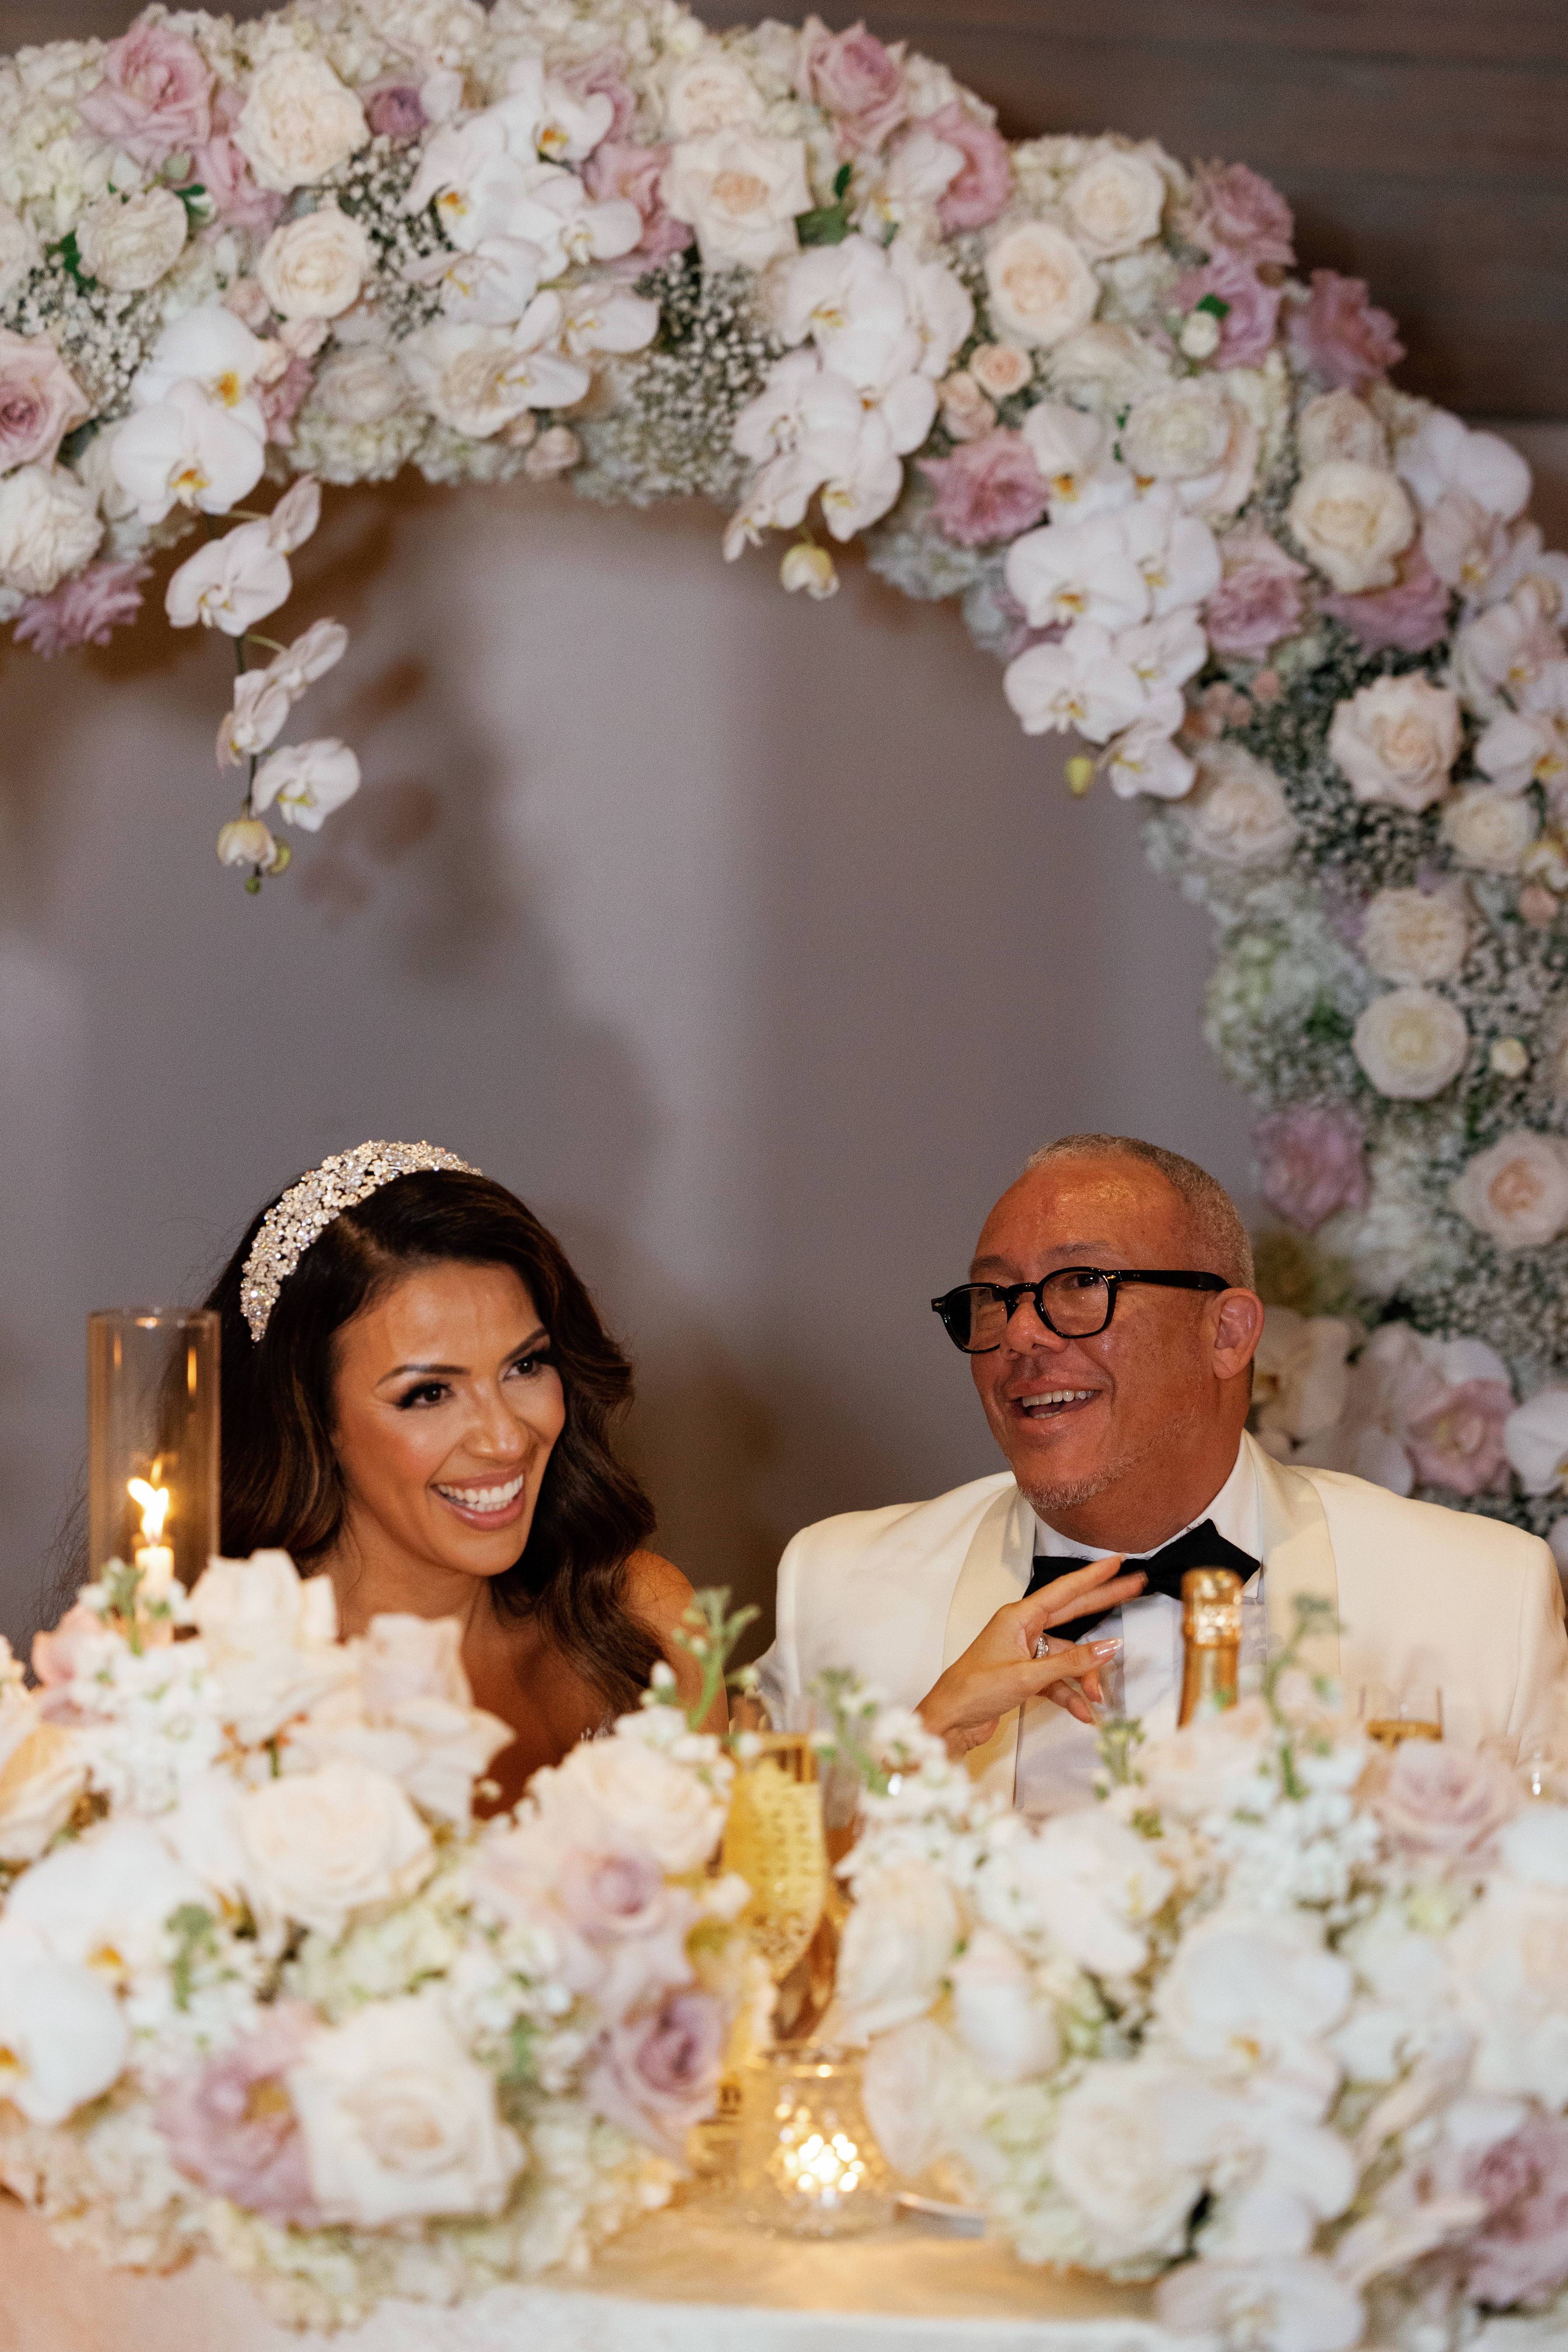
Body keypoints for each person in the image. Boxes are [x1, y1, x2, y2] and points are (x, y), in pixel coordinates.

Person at [758, 1133, 1568, 1811]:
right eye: (995, 1297)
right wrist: (915, 1748)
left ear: (1228, 1333)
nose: (1021, 1335)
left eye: (1081, 1286)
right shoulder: (836, 1586)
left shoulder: (1480, 1595)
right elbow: (755, 1928)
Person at [206, 1139, 719, 1808]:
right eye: (428, 1394)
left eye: (525, 1366)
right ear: (311, 1419)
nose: (506, 1437)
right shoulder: (222, 1692)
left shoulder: (639, 1622)